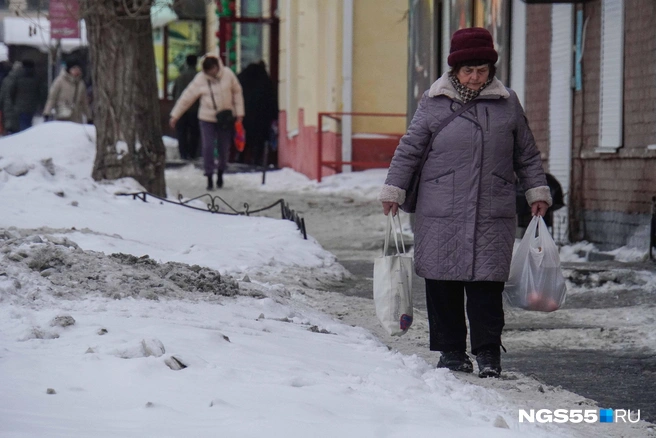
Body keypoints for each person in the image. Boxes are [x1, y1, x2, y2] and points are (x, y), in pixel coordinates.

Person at [378, 28, 552, 378]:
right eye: (468, 70)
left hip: (492, 208)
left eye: (482, 70)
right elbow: (409, 149)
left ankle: (488, 353)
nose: (475, 77)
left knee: (486, 286)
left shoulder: (508, 104)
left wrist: (537, 191)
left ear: (492, 70)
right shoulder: (433, 102)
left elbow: (527, 154)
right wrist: (393, 190)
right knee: (442, 284)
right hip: (440, 209)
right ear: (455, 71)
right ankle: (452, 351)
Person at [169, 54, 244, 190]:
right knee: (208, 147)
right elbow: (187, 97)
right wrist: (175, 115)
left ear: (216, 67)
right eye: (207, 72)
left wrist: (239, 114)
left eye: (212, 70)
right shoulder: (200, 79)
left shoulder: (228, 74)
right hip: (206, 118)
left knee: (223, 148)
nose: (210, 74)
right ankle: (209, 176)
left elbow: (237, 93)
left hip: (225, 118)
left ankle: (221, 172)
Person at [237, 61, 278, 166]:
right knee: (259, 139)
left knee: (244, 136)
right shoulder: (265, 80)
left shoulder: (241, 78)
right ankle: (256, 158)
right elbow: (271, 98)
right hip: (261, 115)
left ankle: (240, 156)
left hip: (244, 114)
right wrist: (274, 115)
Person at [171, 54, 201, 160]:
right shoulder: (199, 76)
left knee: (182, 133)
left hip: (181, 110)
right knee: (194, 133)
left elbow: (174, 92)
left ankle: (183, 154)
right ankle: (192, 154)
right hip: (196, 109)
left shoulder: (180, 76)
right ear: (196, 62)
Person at [9, 60, 44, 132]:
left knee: (22, 125)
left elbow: (11, 91)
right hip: (32, 106)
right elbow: (42, 92)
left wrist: (14, 103)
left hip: (19, 106)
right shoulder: (37, 77)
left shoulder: (18, 77)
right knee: (28, 123)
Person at [0, 61, 22, 134]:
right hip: (20, 107)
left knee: (9, 127)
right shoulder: (23, 80)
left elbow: (2, 94)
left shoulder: (7, 79)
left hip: (7, 106)